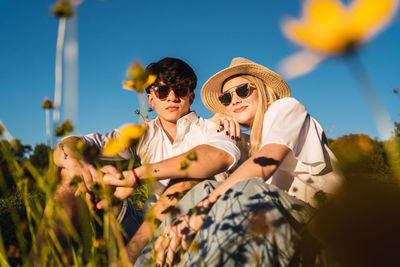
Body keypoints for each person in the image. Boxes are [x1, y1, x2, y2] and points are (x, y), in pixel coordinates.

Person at [131, 57, 343, 266]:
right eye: (226, 98)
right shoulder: (247, 144)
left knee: (239, 190)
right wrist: (214, 120)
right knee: (201, 187)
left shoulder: (284, 108)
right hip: (278, 223)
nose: (235, 100)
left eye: (243, 91)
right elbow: (208, 155)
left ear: (261, 90)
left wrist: (201, 211)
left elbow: (265, 162)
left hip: (320, 222)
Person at [40, 57, 240, 263]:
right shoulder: (142, 133)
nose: (171, 97)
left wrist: (136, 176)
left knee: (186, 182)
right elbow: (70, 144)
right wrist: (77, 163)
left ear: (191, 96)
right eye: (162, 91)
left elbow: (220, 156)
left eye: (179, 90)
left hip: (196, 227)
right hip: (141, 228)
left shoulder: (215, 127)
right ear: (151, 99)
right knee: (69, 174)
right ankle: (44, 261)